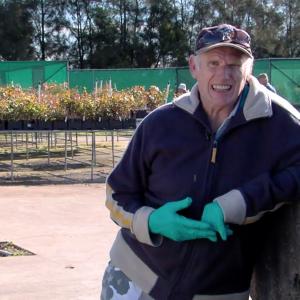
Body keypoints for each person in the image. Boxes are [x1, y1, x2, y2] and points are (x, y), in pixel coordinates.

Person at [101, 23, 300, 300]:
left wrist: (241, 202)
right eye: (213, 62)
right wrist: (151, 221)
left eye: (234, 63)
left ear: (250, 68)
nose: (224, 74)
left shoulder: (281, 123)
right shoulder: (160, 123)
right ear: (194, 66)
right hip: (132, 278)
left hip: (217, 293)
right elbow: (117, 193)